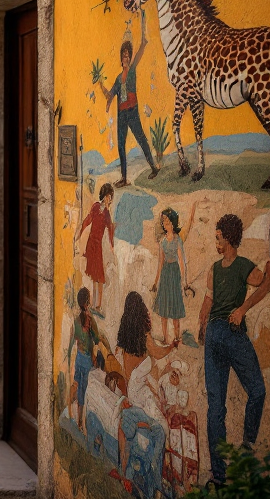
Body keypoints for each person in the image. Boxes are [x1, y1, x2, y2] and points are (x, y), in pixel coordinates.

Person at [198, 213, 270, 490]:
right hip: (227, 333)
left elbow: (207, 306)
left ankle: (218, 477)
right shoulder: (231, 267)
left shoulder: (227, 267)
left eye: (218, 237)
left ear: (228, 238)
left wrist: (203, 327)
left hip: (219, 335)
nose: (215, 241)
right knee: (256, 391)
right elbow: (264, 285)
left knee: (216, 409)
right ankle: (246, 448)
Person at [116, 291, 176, 497]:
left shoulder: (125, 339)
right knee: (164, 428)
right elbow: (158, 353)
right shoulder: (144, 336)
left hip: (133, 394)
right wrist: (172, 346)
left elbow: (128, 374)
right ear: (141, 311)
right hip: (142, 396)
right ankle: (157, 475)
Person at [99, 11, 159, 186]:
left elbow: (142, 46)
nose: (126, 57)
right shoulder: (118, 78)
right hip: (122, 114)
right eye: (123, 55)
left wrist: (142, 24)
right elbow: (110, 96)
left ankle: (154, 168)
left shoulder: (132, 71)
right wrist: (100, 84)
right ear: (120, 58)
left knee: (141, 139)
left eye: (128, 55)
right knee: (120, 145)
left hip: (132, 111)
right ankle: (124, 178)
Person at [67, 286, 109, 432]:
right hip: (87, 361)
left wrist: (68, 359)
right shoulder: (90, 320)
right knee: (86, 391)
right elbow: (97, 338)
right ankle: (84, 422)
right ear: (87, 302)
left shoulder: (76, 320)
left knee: (78, 385)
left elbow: (72, 341)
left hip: (79, 357)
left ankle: (77, 419)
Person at [150, 207, 192, 344]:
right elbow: (160, 263)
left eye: (167, 222)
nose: (165, 225)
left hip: (174, 274)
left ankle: (177, 337)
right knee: (163, 309)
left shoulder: (177, 240)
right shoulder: (162, 241)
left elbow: (182, 262)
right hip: (165, 274)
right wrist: (156, 282)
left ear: (173, 223)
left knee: (174, 307)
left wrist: (185, 282)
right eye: (164, 222)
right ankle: (165, 338)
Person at [79, 182, 116, 315]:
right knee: (95, 276)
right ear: (105, 196)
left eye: (111, 197)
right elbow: (87, 220)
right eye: (110, 196)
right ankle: (95, 305)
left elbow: (110, 229)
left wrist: (112, 245)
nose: (110, 199)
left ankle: (98, 305)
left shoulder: (106, 213)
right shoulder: (96, 207)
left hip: (98, 246)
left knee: (99, 276)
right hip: (91, 244)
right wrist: (79, 233)